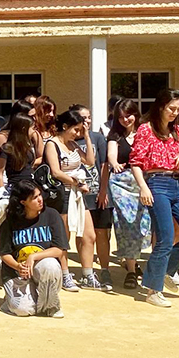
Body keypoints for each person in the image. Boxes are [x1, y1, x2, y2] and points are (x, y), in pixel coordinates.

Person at [130, 89, 179, 307]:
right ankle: (153, 290)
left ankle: (160, 272)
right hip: (156, 183)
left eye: (178, 109)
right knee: (164, 238)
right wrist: (143, 187)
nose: (175, 113)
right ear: (161, 106)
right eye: (171, 108)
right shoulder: (146, 129)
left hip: (176, 184)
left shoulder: (178, 131)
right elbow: (135, 161)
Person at [43, 110, 96, 291]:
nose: (77, 133)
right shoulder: (52, 144)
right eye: (76, 129)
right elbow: (56, 171)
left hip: (78, 194)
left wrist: (87, 136)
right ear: (65, 126)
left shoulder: (73, 144)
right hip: (62, 194)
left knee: (89, 234)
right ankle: (64, 274)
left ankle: (88, 274)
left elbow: (89, 161)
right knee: (63, 236)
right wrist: (77, 182)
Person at [0, 179, 67, 318]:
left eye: (40, 195)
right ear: (23, 202)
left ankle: (51, 306)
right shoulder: (9, 222)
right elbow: (4, 254)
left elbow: (59, 250)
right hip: (17, 274)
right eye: (34, 198)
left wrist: (33, 257)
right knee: (23, 311)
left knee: (50, 265)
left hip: (41, 270)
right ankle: (13, 301)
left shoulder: (51, 215)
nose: (40, 199)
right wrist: (18, 266)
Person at [102, 98, 151, 289]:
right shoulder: (115, 135)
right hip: (121, 185)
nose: (125, 120)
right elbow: (111, 155)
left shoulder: (145, 132)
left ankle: (144, 264)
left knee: (146, 225)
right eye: (121, 117)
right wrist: (114, 163)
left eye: (128, 115)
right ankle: (131, 270)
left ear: (135, 114)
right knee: (127, 226)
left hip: (145, 183)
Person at [71, 104, 113, 291]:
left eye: (89, 117)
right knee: (84, 235)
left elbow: (104, 165)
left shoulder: (98, 138)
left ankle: (105, 269)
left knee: (102, 233)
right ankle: (86, 270)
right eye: (83, 118)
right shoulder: (70, 140)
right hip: (80, 194)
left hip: (100, 192)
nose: (87, 121)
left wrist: (104, 190)